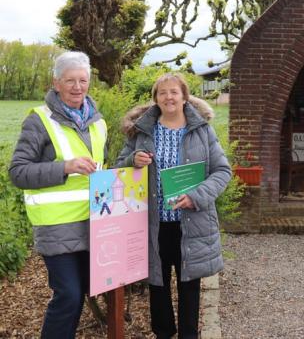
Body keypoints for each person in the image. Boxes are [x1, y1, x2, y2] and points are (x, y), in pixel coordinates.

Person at [116, 73, 231, 339]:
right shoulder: (142, 131)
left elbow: (222, 171)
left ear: (184, 97)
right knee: (157, 282)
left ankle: (189, 335)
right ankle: (164, 333)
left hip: (190, 221)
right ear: (155, 98)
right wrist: (133, 160)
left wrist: (197, 196)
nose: (169, 97)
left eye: (174, 92)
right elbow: (119, 165)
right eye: (163, 92)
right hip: (153, 221)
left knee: (189, 283)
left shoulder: (202, 130)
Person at [9, 51, 107, 339]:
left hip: (94, 223)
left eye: (83, 80)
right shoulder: (39, 121)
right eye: (70, 81)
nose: (78, 87)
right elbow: (18, 172)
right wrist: (64, 167)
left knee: (84, 293)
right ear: (56, 83)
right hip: (57, 226)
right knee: (69, 295)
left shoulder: (98, 123)